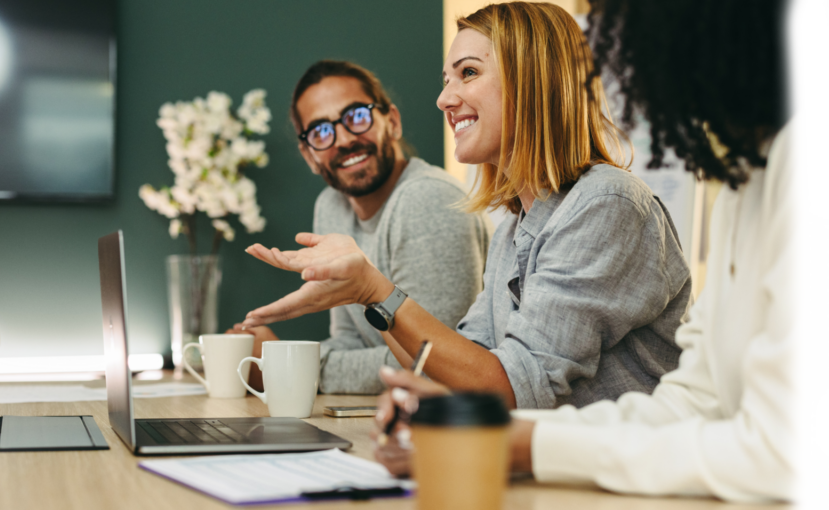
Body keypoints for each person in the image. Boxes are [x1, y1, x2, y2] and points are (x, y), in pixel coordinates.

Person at [373, 0, 827, 503]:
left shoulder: (614, 200)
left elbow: (799, 454)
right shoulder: (750, 183)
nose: (622, 61)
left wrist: (524, 446)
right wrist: (487, 431)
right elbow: (694, 401)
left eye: (469, 73)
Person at [240, 3, 690, 410]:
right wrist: (365, 297)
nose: (444, 99)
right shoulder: (516, 228)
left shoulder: (606, 204)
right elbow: (455, 367)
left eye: (468, 73)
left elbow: (513, 386)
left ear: (531, 78)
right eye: (446, 80)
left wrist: (373, 290)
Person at [229, 60, 490, 394]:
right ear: (309, 156)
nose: (343, 139)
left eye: (356, 116)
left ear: (392, 122)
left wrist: (286, 366)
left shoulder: (428, 199)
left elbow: (432, 367)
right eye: (321, 131)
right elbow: (349, 342)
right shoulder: (331, 206)